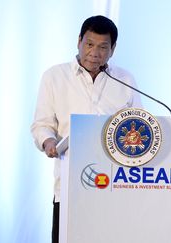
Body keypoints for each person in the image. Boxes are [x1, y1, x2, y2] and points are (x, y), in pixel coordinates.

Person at [30, 15, 141, 243]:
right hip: (70, 189)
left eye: (103, 47)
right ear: (79, 41)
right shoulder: (54, 76)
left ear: (113, 49)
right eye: (89, 44)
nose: (95, 52)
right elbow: (42, 125)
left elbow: (139, 126)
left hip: (116, 187)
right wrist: (48, 142)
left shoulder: (125, 79)